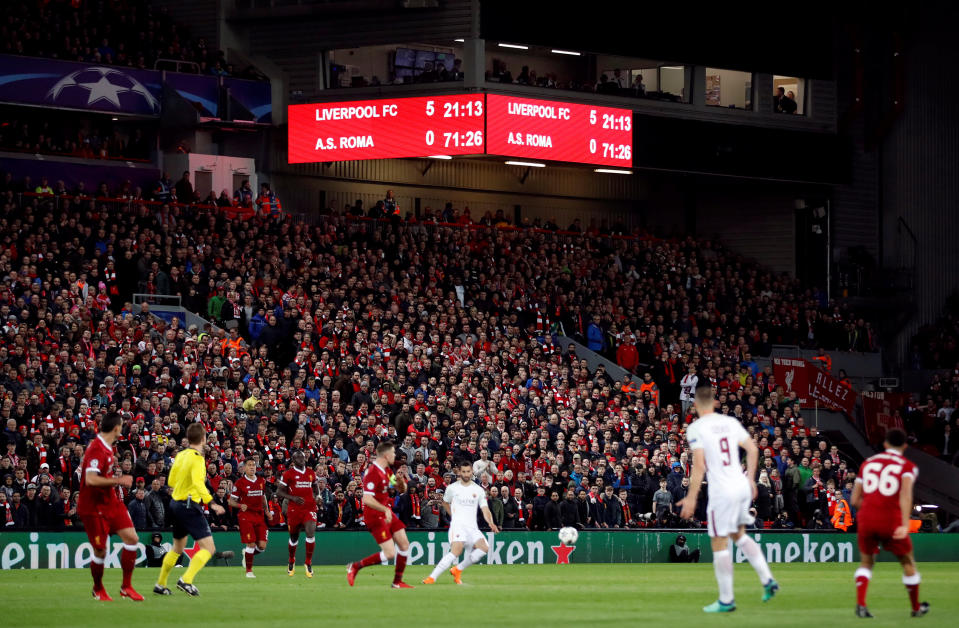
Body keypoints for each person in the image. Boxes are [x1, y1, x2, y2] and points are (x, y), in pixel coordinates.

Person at [679, 386, 778, 613]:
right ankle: (767, 579)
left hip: (722, 491)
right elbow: (753, 450)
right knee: (738, 534)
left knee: (719, 543)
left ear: (695, 405)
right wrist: (752, 481)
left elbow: (700, 464)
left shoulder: (696, 428)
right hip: (741, 485)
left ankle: (726, 600)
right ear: (715, 403)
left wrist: (692, 497)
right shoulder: (731, 423)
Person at [850, 428, 929, 618]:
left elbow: (854, 500)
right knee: (908, 561)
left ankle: (861, 604)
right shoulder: (908, 466)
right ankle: (916, 608)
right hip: (890, 521)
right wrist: (904, 523)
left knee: (866, 562)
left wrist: (870, 512)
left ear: (885, 444)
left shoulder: (868, 463)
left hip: (866, 518)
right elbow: (905, 495)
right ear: (905, 446)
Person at [77, 413, 143, 601]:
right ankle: (98, 588)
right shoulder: (96, 448)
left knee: (132, 538)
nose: (122, 429)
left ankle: (126, 587)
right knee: (101, 551)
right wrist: (119, 480)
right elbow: (90, 479)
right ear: (116, 428)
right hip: (93, 507)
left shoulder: (108, 448)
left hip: (111, 503)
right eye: (121, 426)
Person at [154, 423, 225, 597]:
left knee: (177, 548)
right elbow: (197, 483)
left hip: (175, 504)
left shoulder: (181, 455)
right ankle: (186, 580)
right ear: (203, 438)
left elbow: (170, 480)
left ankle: (161, 584)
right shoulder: (197, 458)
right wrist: (212, 503)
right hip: (188, 505)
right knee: (209, 548)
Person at [347, 441, 414, 588]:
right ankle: (356, 567)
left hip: (385, 512)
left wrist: (401, 482)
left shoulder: (387, 471)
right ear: (386, 455)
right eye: (393, 453)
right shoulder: (372, 473)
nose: (395, 456)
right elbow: (367, 499)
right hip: (374, 515)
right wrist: (385, 510)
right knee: (390, 553)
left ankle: (397, 582)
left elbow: (400, 489)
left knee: (404, 544)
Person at [423, 459, 500, 584]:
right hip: (458, 526)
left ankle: (458, 569)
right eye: (463, 472)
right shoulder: (452, 488)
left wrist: (491, 523)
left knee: (484, 548)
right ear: (459, 472)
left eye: (468, 472)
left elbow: (485, 509)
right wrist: (453, 516)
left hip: (472, 527)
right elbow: (445, 502)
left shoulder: (478, 490)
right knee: (456, 552)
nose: (466, 474)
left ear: (472, 472)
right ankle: (432, 577)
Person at [276, 450, 319, 577]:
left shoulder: (311, 473)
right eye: (298, 457)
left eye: (303, 456)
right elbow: (279, 492)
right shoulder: (288, 474)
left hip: (310, 507)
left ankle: (308, 562)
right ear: (293, 460)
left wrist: (318, 496)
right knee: (294, 537)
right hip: (294, 509)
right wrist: (292, 498)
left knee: (310, 533)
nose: (301, 458)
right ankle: (291, 560)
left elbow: (316, 487)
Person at [229, 458, 271, 578]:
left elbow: (263, 497)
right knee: (251, 544)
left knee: (262, 546)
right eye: (249, 465)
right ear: (244, 468)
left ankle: (247, 553)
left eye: (254, 465)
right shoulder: (240, 483)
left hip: (259, 515)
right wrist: (239, 505)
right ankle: (249, 571)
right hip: (245, 516)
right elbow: (231, 501)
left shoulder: (261, 481)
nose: (252, 467)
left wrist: (267, 511)